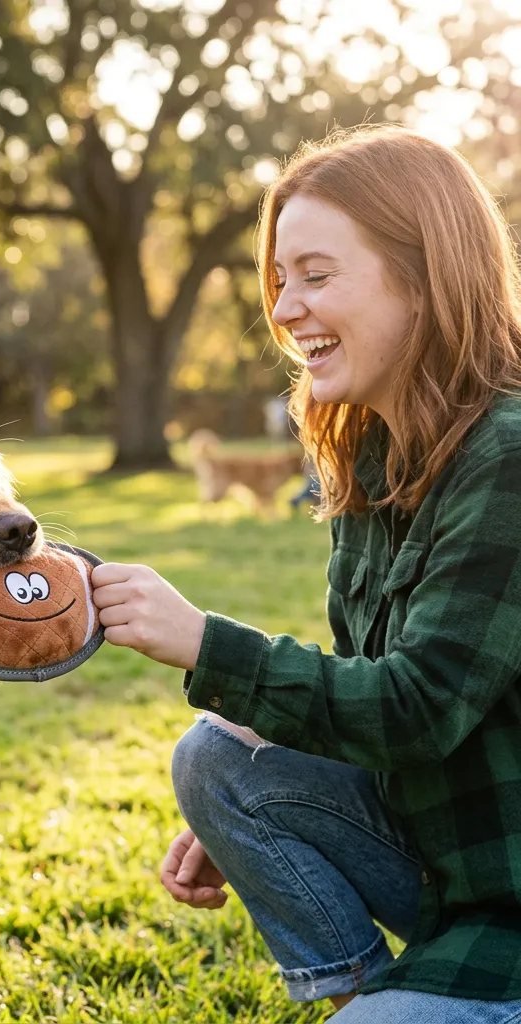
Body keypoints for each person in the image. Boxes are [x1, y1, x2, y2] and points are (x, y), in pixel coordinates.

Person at [90, 126, 521, 1023]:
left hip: (512, 913)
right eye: (280, 280)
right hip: (452, 881)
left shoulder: (508, 456)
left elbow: (420, 703)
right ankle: (370, 999)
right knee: (217, 753)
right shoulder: (372, 454)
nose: (284, 310)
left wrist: (204, 642)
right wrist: (259, 803)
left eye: (316, 276)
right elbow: (361, 698)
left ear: (425, 276)